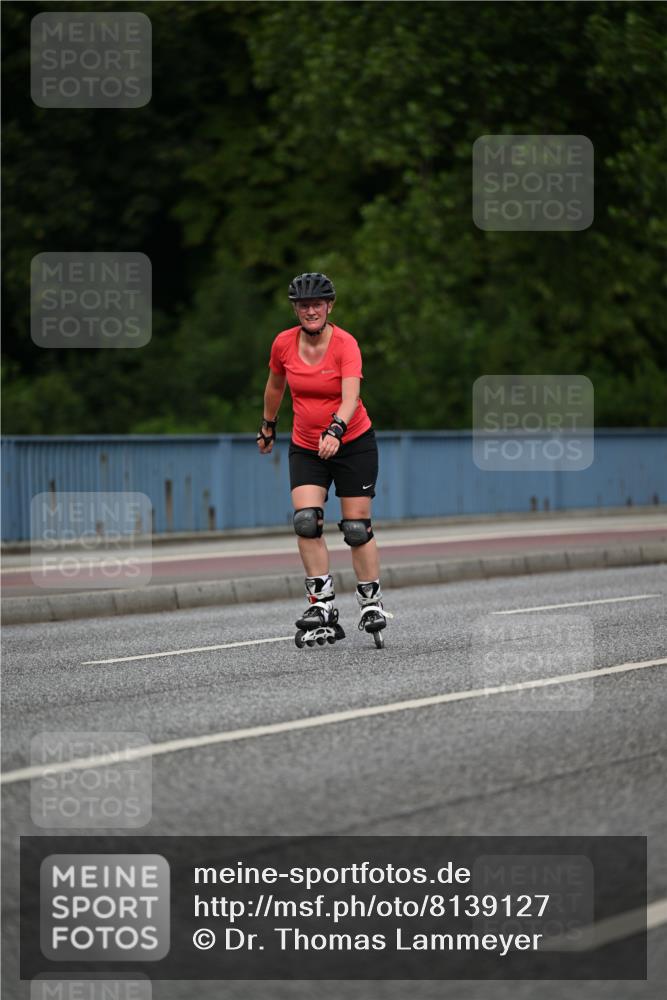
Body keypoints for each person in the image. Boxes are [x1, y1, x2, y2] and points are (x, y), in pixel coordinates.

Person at [257, 271, 389, 645]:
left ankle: (370, 601)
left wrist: (335, 430)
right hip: (306, 444)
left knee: (355, 528)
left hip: (353, 441)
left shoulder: (345, 344)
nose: (310, 310)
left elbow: (350, 397)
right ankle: (321, 603)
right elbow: (275, 386)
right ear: (295, 309)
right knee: (305, 521)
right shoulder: (283, 344)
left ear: (329, 306)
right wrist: (268, 425)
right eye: (303, 305)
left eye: (316, 304)